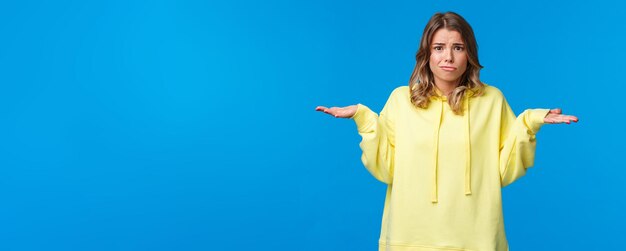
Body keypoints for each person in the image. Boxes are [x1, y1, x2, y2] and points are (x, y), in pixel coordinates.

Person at [315, 11, 578, 251]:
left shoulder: (492, 100)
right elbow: (386, 168)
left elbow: (504, 170)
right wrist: (363, 117)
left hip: (477, 240)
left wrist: (529, 122)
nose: (448, 57)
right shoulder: (400, 100)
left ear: (469, 54)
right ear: (427, 54)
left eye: (458, 48)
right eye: (439, 48)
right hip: (409, 239)